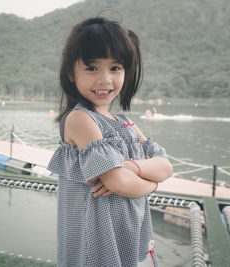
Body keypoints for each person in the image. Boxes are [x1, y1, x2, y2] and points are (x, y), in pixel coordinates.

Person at [47, 17, 173, 267]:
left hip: (129, 228)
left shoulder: (125, 122)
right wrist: (152, 184)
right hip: (95, 237)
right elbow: (120, 182)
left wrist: (130, 167)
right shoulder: (80, 118)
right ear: (72, 73)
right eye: (92, 68)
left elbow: (166, 167)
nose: (105, 79)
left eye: (115, 68)